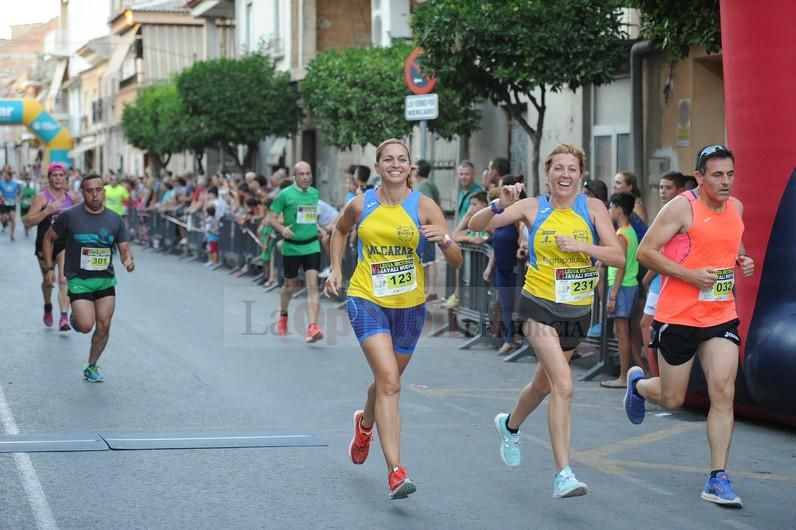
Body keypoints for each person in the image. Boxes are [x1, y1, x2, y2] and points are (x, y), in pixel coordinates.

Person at [469, 144, 624, 498]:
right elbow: (477, 226)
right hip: (538, 304)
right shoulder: (532, 207)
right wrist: (500, 204)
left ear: (581, 175)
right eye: (558, 168)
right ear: (548, 174)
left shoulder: (594, 208)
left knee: (542, 385)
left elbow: (617, 255)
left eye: (572, 169)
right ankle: (563, 473)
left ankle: (509, 426)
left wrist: (583, 248)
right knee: (564, 385)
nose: (565, 174)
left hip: (578, 311)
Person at [325, 138, 462, 500]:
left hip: (409, 306)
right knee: (389, 382)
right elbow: (339, 231)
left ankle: (364, 424)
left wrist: (445, 241)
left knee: (387, 381)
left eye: (402, 159)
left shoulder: (424, 205)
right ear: (379, 165)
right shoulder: (361, 204)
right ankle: (396, 471)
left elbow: (458, 260)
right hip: (366, 298)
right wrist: (336, 269)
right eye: (389, 159)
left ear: (410, 166)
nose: (396, 165)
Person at [625, 145, 754, 507]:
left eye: (730, 174)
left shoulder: (736, 208)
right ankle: (638, 385)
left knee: (724, 391)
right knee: (673, 398)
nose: (726, 181)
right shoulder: (682, 207)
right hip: (678, 316)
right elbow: (645, 253)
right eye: (717, 175)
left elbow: (733, 246)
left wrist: (742, 260)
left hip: (719, 315)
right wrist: (690, 275)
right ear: (700, 176)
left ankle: (718, 477)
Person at [42, 174, 135, 382]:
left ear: (104, 191)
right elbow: (49, 238)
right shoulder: (70, 216)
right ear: (82, 192)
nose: (94, 195)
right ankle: (76, 318)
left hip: (105, 280)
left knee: (104, 324)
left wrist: (128, 261)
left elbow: (124, 249)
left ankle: (91, 365)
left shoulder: (114, 219)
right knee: (86, 326)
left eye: (98, 190)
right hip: (79, 279)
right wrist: (49, 268)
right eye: (89, 190)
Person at [269, 161, 324, 342]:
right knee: (289, 286)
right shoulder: (284, 195)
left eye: (308, 173)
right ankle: (283, 315)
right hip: (292, 247)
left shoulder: (315, 193)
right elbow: (271, 219)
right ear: (294, 176)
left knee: (312, 285)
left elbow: (309, 217)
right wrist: (282, 229)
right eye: (302, 174)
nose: (306, 177)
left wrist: (318, 228)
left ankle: (313, 327)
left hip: (311, 244)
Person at [24, 163, 81, 330]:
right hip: (45, 243)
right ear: (49, 178)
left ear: (65, 178)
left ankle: (63, 316)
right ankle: (48, 305)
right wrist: (47, 211)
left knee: (64, 279)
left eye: (61, 175)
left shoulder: (73, 198)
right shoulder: (41, 197)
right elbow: (28, 222)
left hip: (65, 243)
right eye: (54, 175)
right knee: (48, 281)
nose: (58, 178)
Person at [640, 171, 687, 372]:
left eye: (668, 188)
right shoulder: (665, 211)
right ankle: (654, 370)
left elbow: (663, 253)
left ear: (680, 190)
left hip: (666, 279)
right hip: (660, 278)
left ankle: (656, 371)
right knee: (648, 324)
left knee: (650, 324)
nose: (662, 191)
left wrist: (647, 278)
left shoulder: (679, 214)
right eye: (660, 187)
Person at [600, 192, 643, 388]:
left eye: (610, 207)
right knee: (625, 332)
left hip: (623, 287)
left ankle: (624, 376)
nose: (609, 211)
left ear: (618, 209)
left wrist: (613, 294)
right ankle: (636, 370)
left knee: (621, 333)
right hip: (628, 285)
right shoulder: (629, 231)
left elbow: (620, 264)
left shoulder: (622, 234)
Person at [414, 160, 442, 301]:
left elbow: (426, 206)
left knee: (429, 259)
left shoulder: (424, 186)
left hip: (426, 227)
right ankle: (426, 289)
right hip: (429, 226)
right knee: (425, 258)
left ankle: (431, 290)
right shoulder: (428, 184)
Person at [0, 168, 22, 241]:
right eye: (4, 175)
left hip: (12, 203)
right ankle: (5, 222)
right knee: (3, 219)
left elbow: (20, 190)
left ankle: (12, 235)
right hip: (4, 203)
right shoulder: (1, 183)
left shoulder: (15, 183)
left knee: (13, 218)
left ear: (10, 176)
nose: (5, 176)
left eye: (6, 175)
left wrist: (18, 195)